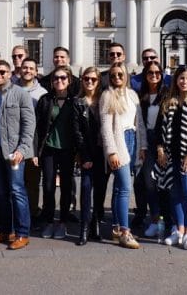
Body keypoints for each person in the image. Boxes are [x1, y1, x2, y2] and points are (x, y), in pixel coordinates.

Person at [0, 60, 35, 250]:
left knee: (17, 190)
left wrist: (22, 150)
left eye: (2, 72)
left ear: (9, 74)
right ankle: (6, 230)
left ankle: (23, 233)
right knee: (2, 192)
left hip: (14, 153)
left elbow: (29, 124)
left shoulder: (21, 94)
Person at [154, 66, 187, 250]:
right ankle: (179, 230)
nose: (184, 82)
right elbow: (159, 127)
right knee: (174, 192)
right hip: (169, 154)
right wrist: (160, 149)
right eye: (181, 78)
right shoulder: (168, 101)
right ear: (176, 80)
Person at [99, 61, 146, 249]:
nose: (117, 78)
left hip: (133, 139)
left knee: (120, 187)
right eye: (113, 75)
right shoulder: (107, 95)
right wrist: (111, 152)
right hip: (119, 142)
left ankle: (117, 227)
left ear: (126, 75)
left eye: (120, 74)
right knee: (126, 187)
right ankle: (126, 232)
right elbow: (105, 128)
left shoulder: (133, 95)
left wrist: (143, 145)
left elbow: (139, 122)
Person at [34, 66, 80, 240]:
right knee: (48, 186)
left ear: (69, 80)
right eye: (55, 78)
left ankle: (62, 222)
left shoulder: (74, 101)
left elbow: (79, 128)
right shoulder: (45, 100)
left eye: (62, 78)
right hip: (49, 149)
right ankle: (48, 221)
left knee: (67, 186)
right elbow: (38, 128)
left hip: (68, 150)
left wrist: (79, 151)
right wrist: (36, 152)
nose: (59, 81)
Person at [134, 60, 168, 238]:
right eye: (150, 73)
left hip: (164, 143)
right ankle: (155, 219)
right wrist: (142, 146)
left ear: (162, 75)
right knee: (150, 183)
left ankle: (168, 220)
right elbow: (140, 124)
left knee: (166, 183)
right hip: (147, 142)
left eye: (157, 73)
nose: (154, 76)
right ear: (145, 76)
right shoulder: (142, 96)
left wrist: (162, 147)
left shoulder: (168, 95)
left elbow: (168, 123)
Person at [75, 66, 106, 245]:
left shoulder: (104, 100)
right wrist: (84, 155)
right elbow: (77, 132)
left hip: (103, 151)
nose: (89, 82)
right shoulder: (77, 102)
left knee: (100, 190)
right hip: (87, 153)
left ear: (98, 81)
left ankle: (96, 223)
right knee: (86, 188)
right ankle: (84, 228)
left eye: (93, 79)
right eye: (86, 79)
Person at [18, 57, 48, 224]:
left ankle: (32, 213)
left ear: (36, 72)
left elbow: (43, 124)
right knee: (16, 183)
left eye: (31, 68)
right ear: (20, 70)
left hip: (33, 145)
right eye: (25, 68)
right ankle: (19, 215)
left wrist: (38, 150)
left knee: (32, 182)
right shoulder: (12, 90)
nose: (28, 71)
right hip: (15, 145)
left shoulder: (42, 94)